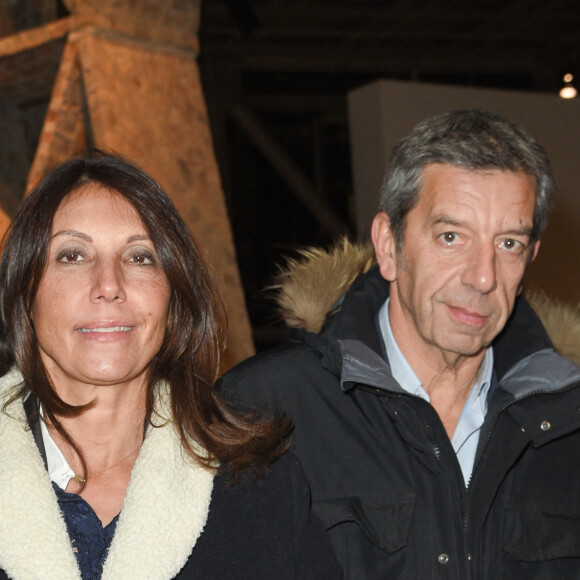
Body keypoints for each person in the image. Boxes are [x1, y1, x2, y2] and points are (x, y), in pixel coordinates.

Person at [219, 109, 580, 579]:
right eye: (451, 237)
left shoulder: (568, 419)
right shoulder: (263, 411)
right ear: (389, 246)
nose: (483, 277)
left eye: (508, 243)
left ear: (531, 254)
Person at [0, 152, 342, 579]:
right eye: (73, 255)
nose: (109, 285)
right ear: (23, 291)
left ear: (173, 297)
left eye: (139, 257)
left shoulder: (263, 490)